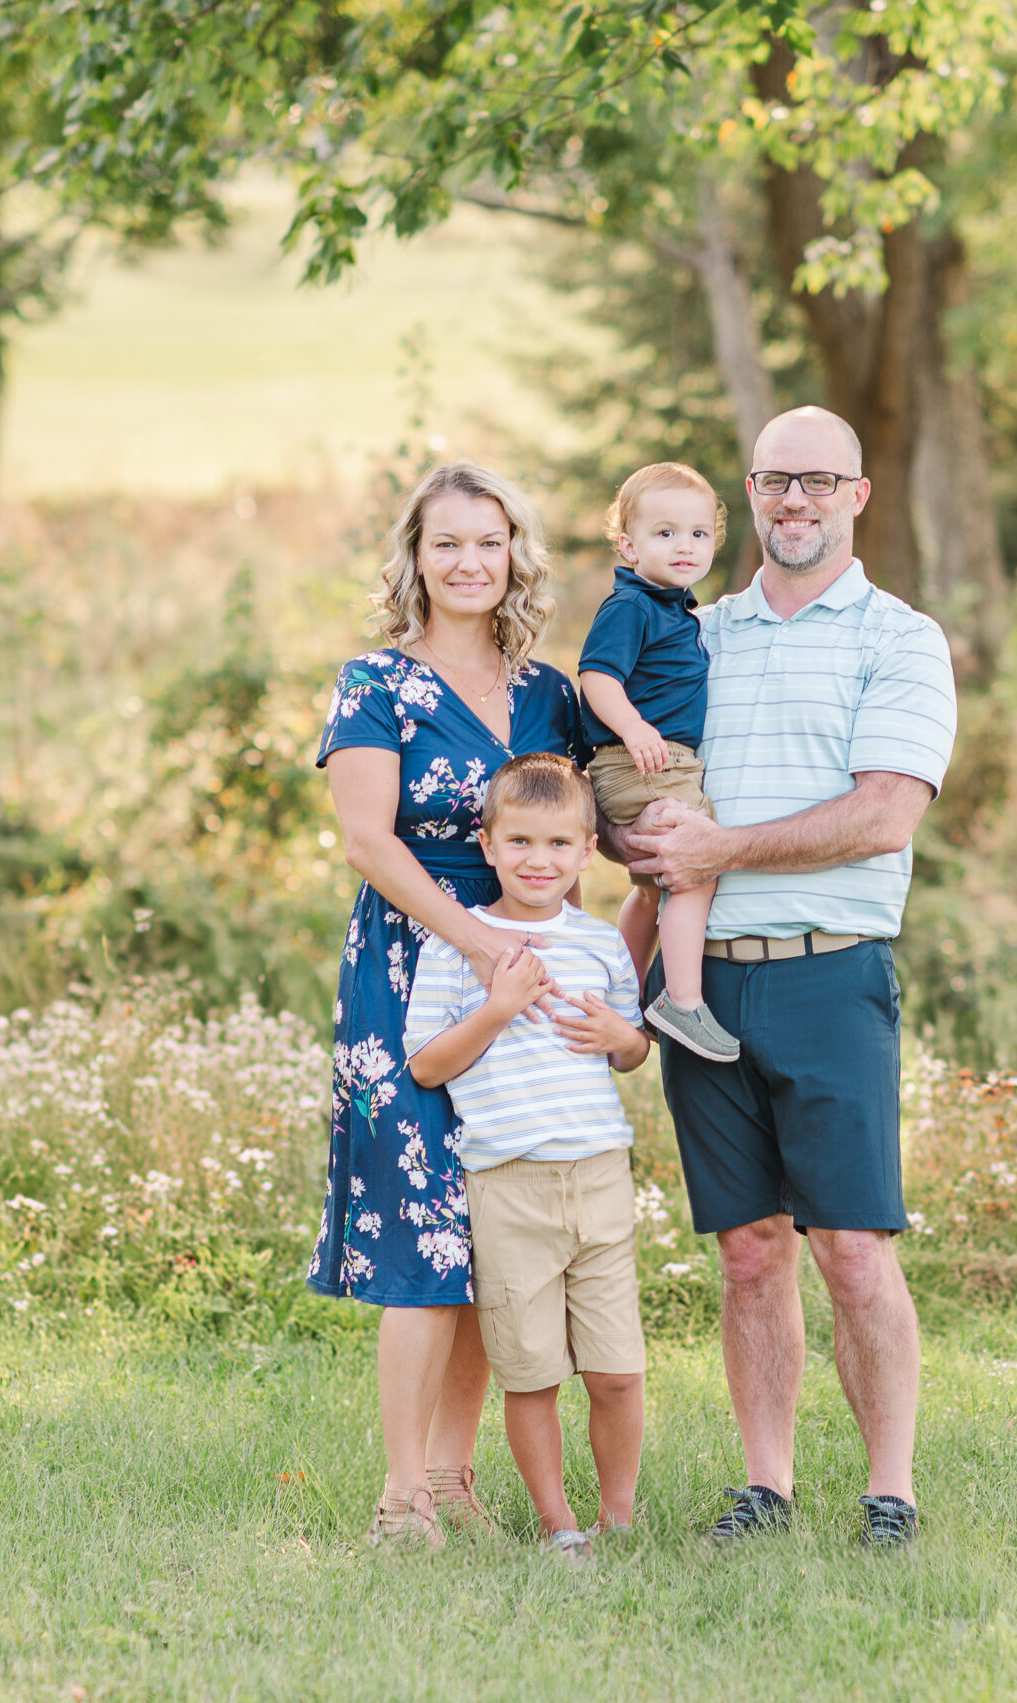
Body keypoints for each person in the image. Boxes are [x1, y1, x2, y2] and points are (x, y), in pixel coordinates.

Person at [620, 405, 958, 1551]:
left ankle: (890, 1492)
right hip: (700, 976)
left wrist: (724, 850)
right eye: (773, 482)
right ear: (749, 494)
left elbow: (884, 812)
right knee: (749, 1247)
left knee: (852, 1245)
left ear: (858, 495)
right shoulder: (694, 633)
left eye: (819, 480)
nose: (794, 501)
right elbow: (635, 787)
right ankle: (766, 1484)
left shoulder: (899, 639)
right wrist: (637, 852)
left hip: (829, 975)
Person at [305, 463, 590, 1551]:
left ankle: (454, 1474)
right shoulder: (373, 682)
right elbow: (368, 838)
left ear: (516, 552)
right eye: (446, 544)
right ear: (414, 558)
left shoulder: (550, 694)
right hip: (409, 971)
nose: (469, 562)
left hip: (525, 973)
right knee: (421, 1224)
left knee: (492, 1224)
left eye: (488, 541)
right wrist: (476, 940)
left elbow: (572, 835)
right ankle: (398, 1496)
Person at [402, 753, 652, 1565]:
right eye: (519, 841)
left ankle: (620, 1516)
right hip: (507, 1180)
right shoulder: (458, 946)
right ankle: (560, 1524)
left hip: (599, 1175)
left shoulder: (601, 945)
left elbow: (627, 1048)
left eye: (556, 843)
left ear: (586, 850)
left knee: (617, 1370)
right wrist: (499, 1006)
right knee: (532, 1371)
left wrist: (628, 1040)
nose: (537, 860)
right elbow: (427, 1065)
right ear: (488, 844)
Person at [575, 462, 738, 1063]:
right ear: (628, 545)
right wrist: (634, 725)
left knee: (650, 890)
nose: (685, 546)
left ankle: (618, 991)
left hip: (653, 762)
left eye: (698, 534)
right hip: (644, 761)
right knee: (699, 862)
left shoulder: (674, 610)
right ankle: (682, 1000)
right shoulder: (632, 607)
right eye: (665, 533)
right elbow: (596, 675)